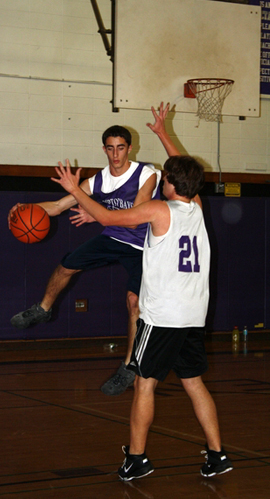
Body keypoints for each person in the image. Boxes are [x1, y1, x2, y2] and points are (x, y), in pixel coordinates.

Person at [51, 103, 233, 481]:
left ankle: (137, 458)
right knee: (194, 383)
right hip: (194, 317)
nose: (162, 179)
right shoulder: (196, 207)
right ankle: (217, 455)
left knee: (144, 383)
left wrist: (74, 190)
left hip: (163, 316)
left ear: (169, 184)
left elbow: (105, 218)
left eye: (166, 176)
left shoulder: (157, 211)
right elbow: (185, 173)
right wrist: (163, 134)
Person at [9, 125, 161, 396]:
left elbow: (137, 213)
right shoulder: (99, 180)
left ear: (130, 148)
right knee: (66, 264)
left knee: (134, 301)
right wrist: (26, 209)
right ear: (104, 149)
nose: (116, 154)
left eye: (121, 147)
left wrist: (97, 213)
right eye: (110, 148)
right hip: (114, 236)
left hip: (144, 244)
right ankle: (43, 309)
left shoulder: (146, 173)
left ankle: (129, 365)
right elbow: (57, 207)